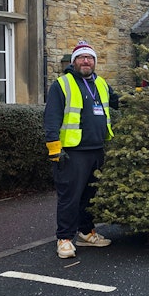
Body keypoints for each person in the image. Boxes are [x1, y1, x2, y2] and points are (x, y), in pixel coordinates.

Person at [44, 40, 118, 259]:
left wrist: (144, 97)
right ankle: (64, 238)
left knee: (89, 195)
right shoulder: (63, 84)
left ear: (94, 62)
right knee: (70, 196)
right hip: (72, 152)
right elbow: (51, 119)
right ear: (74, 61)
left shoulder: (101, 84)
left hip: (97, 149)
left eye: (90, 58)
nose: (86, 61)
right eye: (81, 58)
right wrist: (55, 149)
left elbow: (117, 101)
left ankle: (86, 232)